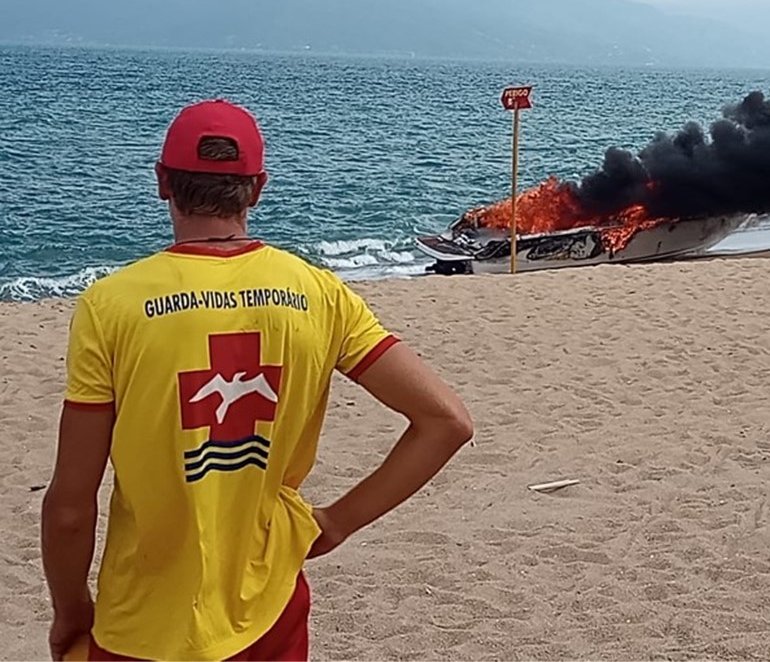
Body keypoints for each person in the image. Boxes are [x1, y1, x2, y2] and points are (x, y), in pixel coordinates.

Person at [40, 99, 474, 661]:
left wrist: (70, 610)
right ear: (258, 187)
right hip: (270, 610)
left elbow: (72, 506)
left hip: (141, 623)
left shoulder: (112, 305)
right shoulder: (320, 293)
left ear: (162, 183)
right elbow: (446, 421)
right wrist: (336, 523)